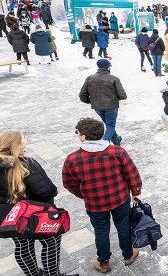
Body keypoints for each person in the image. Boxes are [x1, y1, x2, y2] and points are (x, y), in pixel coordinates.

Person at [62, 118, 142, 273]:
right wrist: (135, 192)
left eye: (77, 133)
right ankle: (128, 254)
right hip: (119, 199)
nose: (77, 135)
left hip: (94, 204)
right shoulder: (117, 152)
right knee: (124, 225)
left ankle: (103, 262)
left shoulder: (73, 159)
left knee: (101, 230)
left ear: (84, 136)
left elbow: (69, 183)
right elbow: (132, 174)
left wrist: (84, 194)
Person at [0, 131, 75, 276]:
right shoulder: (26, 164)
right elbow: (46, 191)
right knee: (51, 242)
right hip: (34, 215)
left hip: (10, 217)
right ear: (18, 145)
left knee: (22, 245)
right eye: (23, 138)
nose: (26, 140)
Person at [79, 59, 127, 146]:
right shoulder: (114, 79)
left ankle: (116, 139)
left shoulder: (90, 78)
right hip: (111, 106)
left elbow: (82, 95)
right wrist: (115, 99)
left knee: (108, 124)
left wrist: (90, 101)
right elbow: (123, 95)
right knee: (110, 125)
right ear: (108, 67)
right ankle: (103, 145)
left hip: (97, 107)